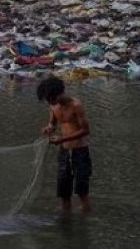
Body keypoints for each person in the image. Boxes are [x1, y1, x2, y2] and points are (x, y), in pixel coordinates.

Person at [37, 76, 92, 212]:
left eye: (52, 99)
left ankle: (85, 222)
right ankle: (65, 223)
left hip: (80, 151)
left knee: (82, 191)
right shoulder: (53, 106)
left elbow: (85, 130)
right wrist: (48, 128)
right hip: (64, 153)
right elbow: (53, 123)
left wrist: (62, 139)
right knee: (63, 192)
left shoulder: (75, 105)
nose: (50, 102)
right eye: (48, 100)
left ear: (60, 93)